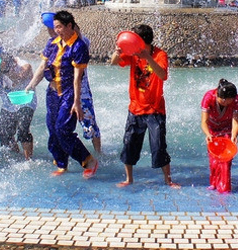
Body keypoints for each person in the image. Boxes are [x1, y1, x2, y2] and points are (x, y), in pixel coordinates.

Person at [26, 10, 99, 178]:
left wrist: (76, 102)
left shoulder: (78, 46)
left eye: (59, 27)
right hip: (52, 93)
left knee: (63, 128)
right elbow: (42, 66)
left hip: (68, 93)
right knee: (52, 129)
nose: (56, 30)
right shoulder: (52, 43)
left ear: (69, 26)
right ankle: (61, 163)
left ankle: (89, 161)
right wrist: (31, 85)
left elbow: (77, 78)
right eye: (55, 27)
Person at [111, 23, 178, 187]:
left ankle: (168, 180)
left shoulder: (160, 54)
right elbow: (114, 63)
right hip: (135, 107)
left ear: (141, 41)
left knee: (159, 146)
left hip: (155, 109)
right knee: (129, 144)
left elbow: (162, 75)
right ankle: (129, 179)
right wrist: (117, 52)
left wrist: (147, 57)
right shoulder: (132, 54)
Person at [200, 79, 238, 193]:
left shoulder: (236, 101)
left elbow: (236, 122)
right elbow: (204, 121)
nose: (223, 102)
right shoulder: (208, 97)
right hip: (212, 131)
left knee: (226, 159)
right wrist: (208, 134)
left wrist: (234, 135)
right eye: (221, 99)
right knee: (214, 159)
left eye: (227, 101)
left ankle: (225, 187)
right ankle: (214, 183)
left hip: (227, 130)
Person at [0, 52, 36, 160]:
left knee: (23, 129)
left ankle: (28, 159)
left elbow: (19, 78)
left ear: (14, 62)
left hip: (26, 100)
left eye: (10, 66)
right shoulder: (0, 67)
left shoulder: (25, 65)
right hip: (9, 103)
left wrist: (4, 71)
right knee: (3, 133)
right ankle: (16, 156)